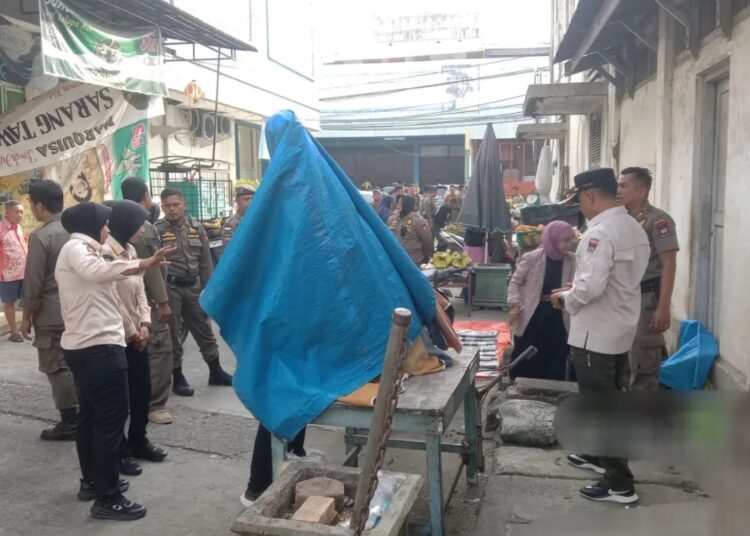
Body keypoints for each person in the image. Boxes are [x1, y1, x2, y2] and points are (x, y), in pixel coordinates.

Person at [56, 202, 171, 521]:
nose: (108, 228)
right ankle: (108, 497)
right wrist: (146, 262)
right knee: (108, 421)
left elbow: (115, 290)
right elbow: (100, 273)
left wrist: (140, 266)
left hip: (95, 346)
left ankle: (93, 481)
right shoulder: (77, 249)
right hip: (98, 348)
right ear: (91, 223)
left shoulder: (88, 250)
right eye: (104, 223)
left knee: (93, 419)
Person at [551, 168, 649, 504]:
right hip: (619, 326)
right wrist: (576, 288)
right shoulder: (632, 226)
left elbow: (591, 287)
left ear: (590, 196)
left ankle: (620, 483)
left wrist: (566, 298)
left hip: (596, 333)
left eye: (579, 199)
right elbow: (614, 279)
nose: (580, 206)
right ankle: (597, 456)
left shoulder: (600, 234)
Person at [102, 201, 169, 477]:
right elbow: (113, 299)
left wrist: (145, 323)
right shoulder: (105, 254)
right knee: (119, 399)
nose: (142, 230)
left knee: (142, 391)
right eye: (138, 224)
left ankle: (138, 439)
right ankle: (119, 451)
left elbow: (140, 290)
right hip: (118, 336)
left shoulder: (130, 251)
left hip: (137, 334)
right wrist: (133, 332)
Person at [155, 188, 233, 396]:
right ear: (162, 207)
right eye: (167, 206)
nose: (172, 209)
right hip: (170, 288)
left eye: (175, 205)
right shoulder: (157, 230)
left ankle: (215, 371)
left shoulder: (196, 227)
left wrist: (209, 290)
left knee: (204, 329)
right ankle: (177, 376)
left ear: (183, 205)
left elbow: (205, 261)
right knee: (173, 333)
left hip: (194, 287)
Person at [20, 182, 78, 441]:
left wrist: (27, 316)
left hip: (52, 312)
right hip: (79, 308)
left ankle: (70, 421)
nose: (31, 208)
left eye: (31, 203)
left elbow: (32, 281)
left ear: (40, 205)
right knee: (77, 363)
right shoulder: (76, 229)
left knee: (55, 365)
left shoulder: (42, 236)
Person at [617, 167, 679, 391]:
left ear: (641, 191)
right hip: (624, 298)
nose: (618, 190)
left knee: (644, 361)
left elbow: (669, 264)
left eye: (624, 186)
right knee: (624, 360)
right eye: (618, 185)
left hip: (647, 299)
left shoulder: (658, 221)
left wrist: (663, 308)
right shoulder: (621, 220)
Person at [121, 177, 175, 425]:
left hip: (123, 300)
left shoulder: (114, 219)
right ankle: (156, 405)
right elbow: (150, 269)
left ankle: (133, 401)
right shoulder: (143, 226)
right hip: (145, 300)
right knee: (160, 349)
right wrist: (163, 301)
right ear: (146, 196)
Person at [508, 221, 576, 381]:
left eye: (570, 240)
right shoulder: (532, 258)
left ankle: (551, 391)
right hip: (534, 314)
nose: (568, 244)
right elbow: (515, 282)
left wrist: (571, 287)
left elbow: (577, 284)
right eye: (564, 240)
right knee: (527, 351)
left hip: (559, 314)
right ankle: (520, 386)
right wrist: (514, 305)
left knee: (556, 351)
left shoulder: (573, 260)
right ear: (553, 238)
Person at [1, 201, 27, 342]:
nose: (20, 215)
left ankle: (25, 326)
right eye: (17, 212)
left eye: (22, 212)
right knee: (9, 303)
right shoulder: (0, 228)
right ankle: (13, 332)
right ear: (7, 213)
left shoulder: (18, 228)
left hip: (24, 272)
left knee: (27, 300)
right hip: (8, 274)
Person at [387, 195, 433, 265]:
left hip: (413, 260)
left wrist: (426, 255)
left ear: (407, 204)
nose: (398, 205)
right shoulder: (391, 219)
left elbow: (427, 240)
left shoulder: (418, 221)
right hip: (395, 260)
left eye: (401, 203)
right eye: (398, 203)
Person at [220, 185, 255, 257]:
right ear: (237, 201)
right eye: (246, 199)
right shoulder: (230, 224)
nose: (250, 202)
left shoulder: (257, 221)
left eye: (252, 199)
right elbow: (229, 250)